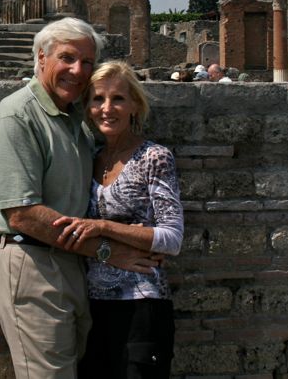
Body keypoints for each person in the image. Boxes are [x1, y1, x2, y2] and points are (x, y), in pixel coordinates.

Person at [0, 18, 159, 379]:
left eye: (87, 61)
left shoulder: (76, 117)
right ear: (41, 59)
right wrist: (108, 250)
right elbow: (24, 215)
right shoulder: (16, 117)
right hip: (35, 264)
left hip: (69, 263)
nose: (78, 70)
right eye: (67, 58)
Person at [53, 61, 184, 379]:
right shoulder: (88, 156)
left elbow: (171, 237)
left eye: (118, 99)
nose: (106, 108)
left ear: (135, 105)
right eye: (98, 99)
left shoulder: (154, 157)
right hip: (90, 305)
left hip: (140, 304)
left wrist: (102, 227)